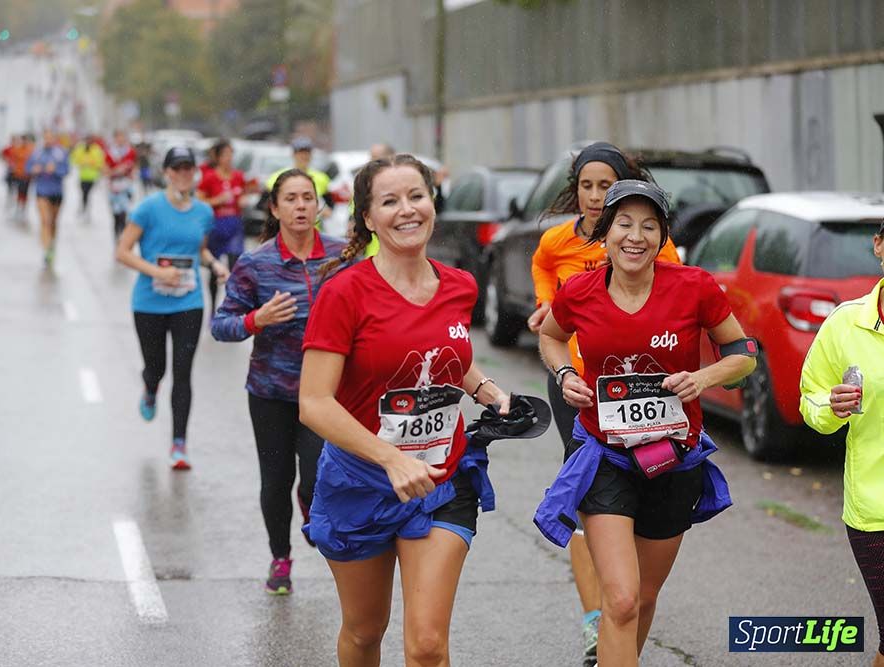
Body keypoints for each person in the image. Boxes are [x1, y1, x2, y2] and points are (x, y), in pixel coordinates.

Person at [299, 154, 513, 666]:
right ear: (368, 218)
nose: (407, 210)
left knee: (427, 644)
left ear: (432, 202)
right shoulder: (344, 294)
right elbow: (313, 403)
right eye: (389, 201)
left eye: (416, 196)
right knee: (364, 631)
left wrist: (485, 388)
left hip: (441, 479)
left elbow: (446, 357)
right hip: (361, 482)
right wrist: (392, 459)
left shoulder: (459, 286)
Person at [534, 179, 756, 666]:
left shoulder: (692, 286)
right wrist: (566, 371)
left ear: (662, 237)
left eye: (649, 226)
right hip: (605, 456)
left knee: (645, 599)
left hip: (673, 461)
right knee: (621, 600)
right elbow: (551, 338)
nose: (636, 236)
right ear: (605, 232)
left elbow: (743, 355)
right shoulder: (579, 291)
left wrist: (702, 378)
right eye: (624, 224)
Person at [527, 141, 682, 664]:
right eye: (586, 186)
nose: (594, 197)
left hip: (645, 390)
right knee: (588, 486)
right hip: (580, 384)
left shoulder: (645, 240)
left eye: (603, 186)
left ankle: (624, 602)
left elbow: (681, 300)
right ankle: (600, 615)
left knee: (641, 487)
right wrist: (547, 306)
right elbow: (544, 271)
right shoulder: (559, 240)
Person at [211, 169, 346, 595]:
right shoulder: (255, 264)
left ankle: (311, 509)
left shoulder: (342, 258)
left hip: (323, 395)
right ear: (275, 208)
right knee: (275, 479)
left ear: (319, 206)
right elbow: (221, 325)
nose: (302, 205)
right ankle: (280, 558)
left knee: (316, 476)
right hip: (270, 391)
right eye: (291, 198)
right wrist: (257, 319)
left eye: (309, 197)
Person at [800, 220, 884, 667]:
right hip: (876, 512)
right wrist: (831, 407)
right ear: (878, 245)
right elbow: (810, 400)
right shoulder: (846, 324)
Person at [115, 146, 228, 470]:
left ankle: (179, 444)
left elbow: (200, 250)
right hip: (149, 303)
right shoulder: (149, 209)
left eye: (188, 169)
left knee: (183, 373)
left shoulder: (204, 212)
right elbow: (122, 251)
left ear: (195, 173)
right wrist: (158, 272)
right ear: (166, 173)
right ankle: (150, 387)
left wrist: (215, 265)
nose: (183, 175)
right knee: (157, 368)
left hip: (188, 302)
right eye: (176, 169)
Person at [197, 140, 248, 315]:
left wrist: (242, 201)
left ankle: (231, 308)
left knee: (235, 267)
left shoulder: (239, 176)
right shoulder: (210, 177)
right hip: (216, 226)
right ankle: (212, 309)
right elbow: (200, 200)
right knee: (215, 268)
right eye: (225, 155)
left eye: (231, 154)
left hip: (234, 225)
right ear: (218, 157)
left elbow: (243, 196)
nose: (229, 158)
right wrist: (217, 200)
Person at [26, 130, 70, 267]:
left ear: (54, 139)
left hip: (56, 192)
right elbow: (28, 168)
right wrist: (34, 169)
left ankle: (52, 244)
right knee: (45, 221)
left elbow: (67, 170)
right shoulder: (37, 153)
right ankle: (46, 250)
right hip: (41, 191)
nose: (48, 140)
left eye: (50, 138)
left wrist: (55, 170)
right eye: (46, 138)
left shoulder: (61, 153)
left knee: (53, 222)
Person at [266, 136, 333, 213]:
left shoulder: (322, 178)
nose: (304, 156)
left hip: (313, 224)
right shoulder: (278, 177)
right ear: (294, 154)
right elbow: (267, 204)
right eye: (301, 153)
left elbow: (330, 205)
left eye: (307, 153)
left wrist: (324, 211)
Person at [106, 130, 138, 241]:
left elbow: (134, 167)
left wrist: (131, 173)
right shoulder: (110, 153)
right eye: (118, 137)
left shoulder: (130, 152)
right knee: (116, 214)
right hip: (114, 186)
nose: (120, 140)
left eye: (122, 137)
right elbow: (105, 171)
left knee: (124, 213)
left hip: (126, 185)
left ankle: (123, 237)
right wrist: (116, 171)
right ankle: (116, 235)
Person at [71, 135, 106, 220]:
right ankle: (84, 208)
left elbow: (100, 162)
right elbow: (74, 159)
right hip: (83, 176)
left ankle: (85, 208)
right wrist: (81, 162)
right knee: (84, 193)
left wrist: (92, 163)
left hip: (92, 177)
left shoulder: (96, 149)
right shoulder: (80, 148)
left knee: (87, 193)